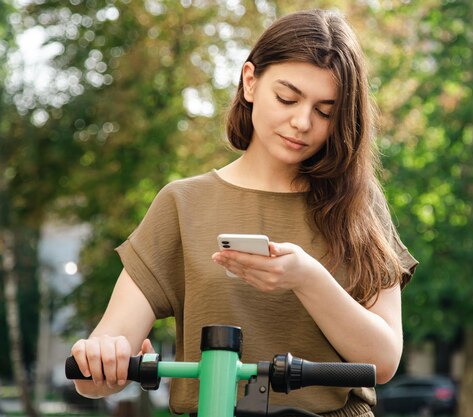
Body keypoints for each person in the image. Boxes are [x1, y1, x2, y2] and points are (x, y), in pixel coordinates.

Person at [70, 8, 417, 417]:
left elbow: (383, 361)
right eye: (287, 98)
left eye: (325, 111)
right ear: (250, 81)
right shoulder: (182, 203)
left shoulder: (360, 204)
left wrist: (308, 279)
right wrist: (100, 360)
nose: (302, 122)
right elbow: (91, 375)